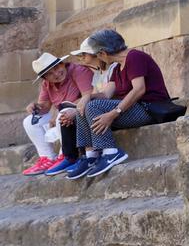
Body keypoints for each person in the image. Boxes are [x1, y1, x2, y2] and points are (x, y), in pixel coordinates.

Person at [65, 29, 172, 179]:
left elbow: (139, 89)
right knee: (86, 106)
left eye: (97, 54)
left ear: (103, 53)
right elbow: (105, 95)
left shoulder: (134, 57)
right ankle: (91, 155)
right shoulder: (117, 67)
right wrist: (86, 97)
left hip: (148, 109)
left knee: (93, 106)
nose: (98, 58)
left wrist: (113, 114)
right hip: (132, 109)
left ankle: (110, 152)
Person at [21, 53, 92, 176]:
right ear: (45, 78)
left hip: (82, 113)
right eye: (49, 73)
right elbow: (44, 107)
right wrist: (35, 107)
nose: (56, 74)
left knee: (62, 113)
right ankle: (48, 158)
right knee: (30, 121)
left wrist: (60, 112)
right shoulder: (47, 84)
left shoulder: (78, 71)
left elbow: (89, 95)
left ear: (62, 64)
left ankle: (65, 156)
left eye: (56, 68)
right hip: (65, 116)